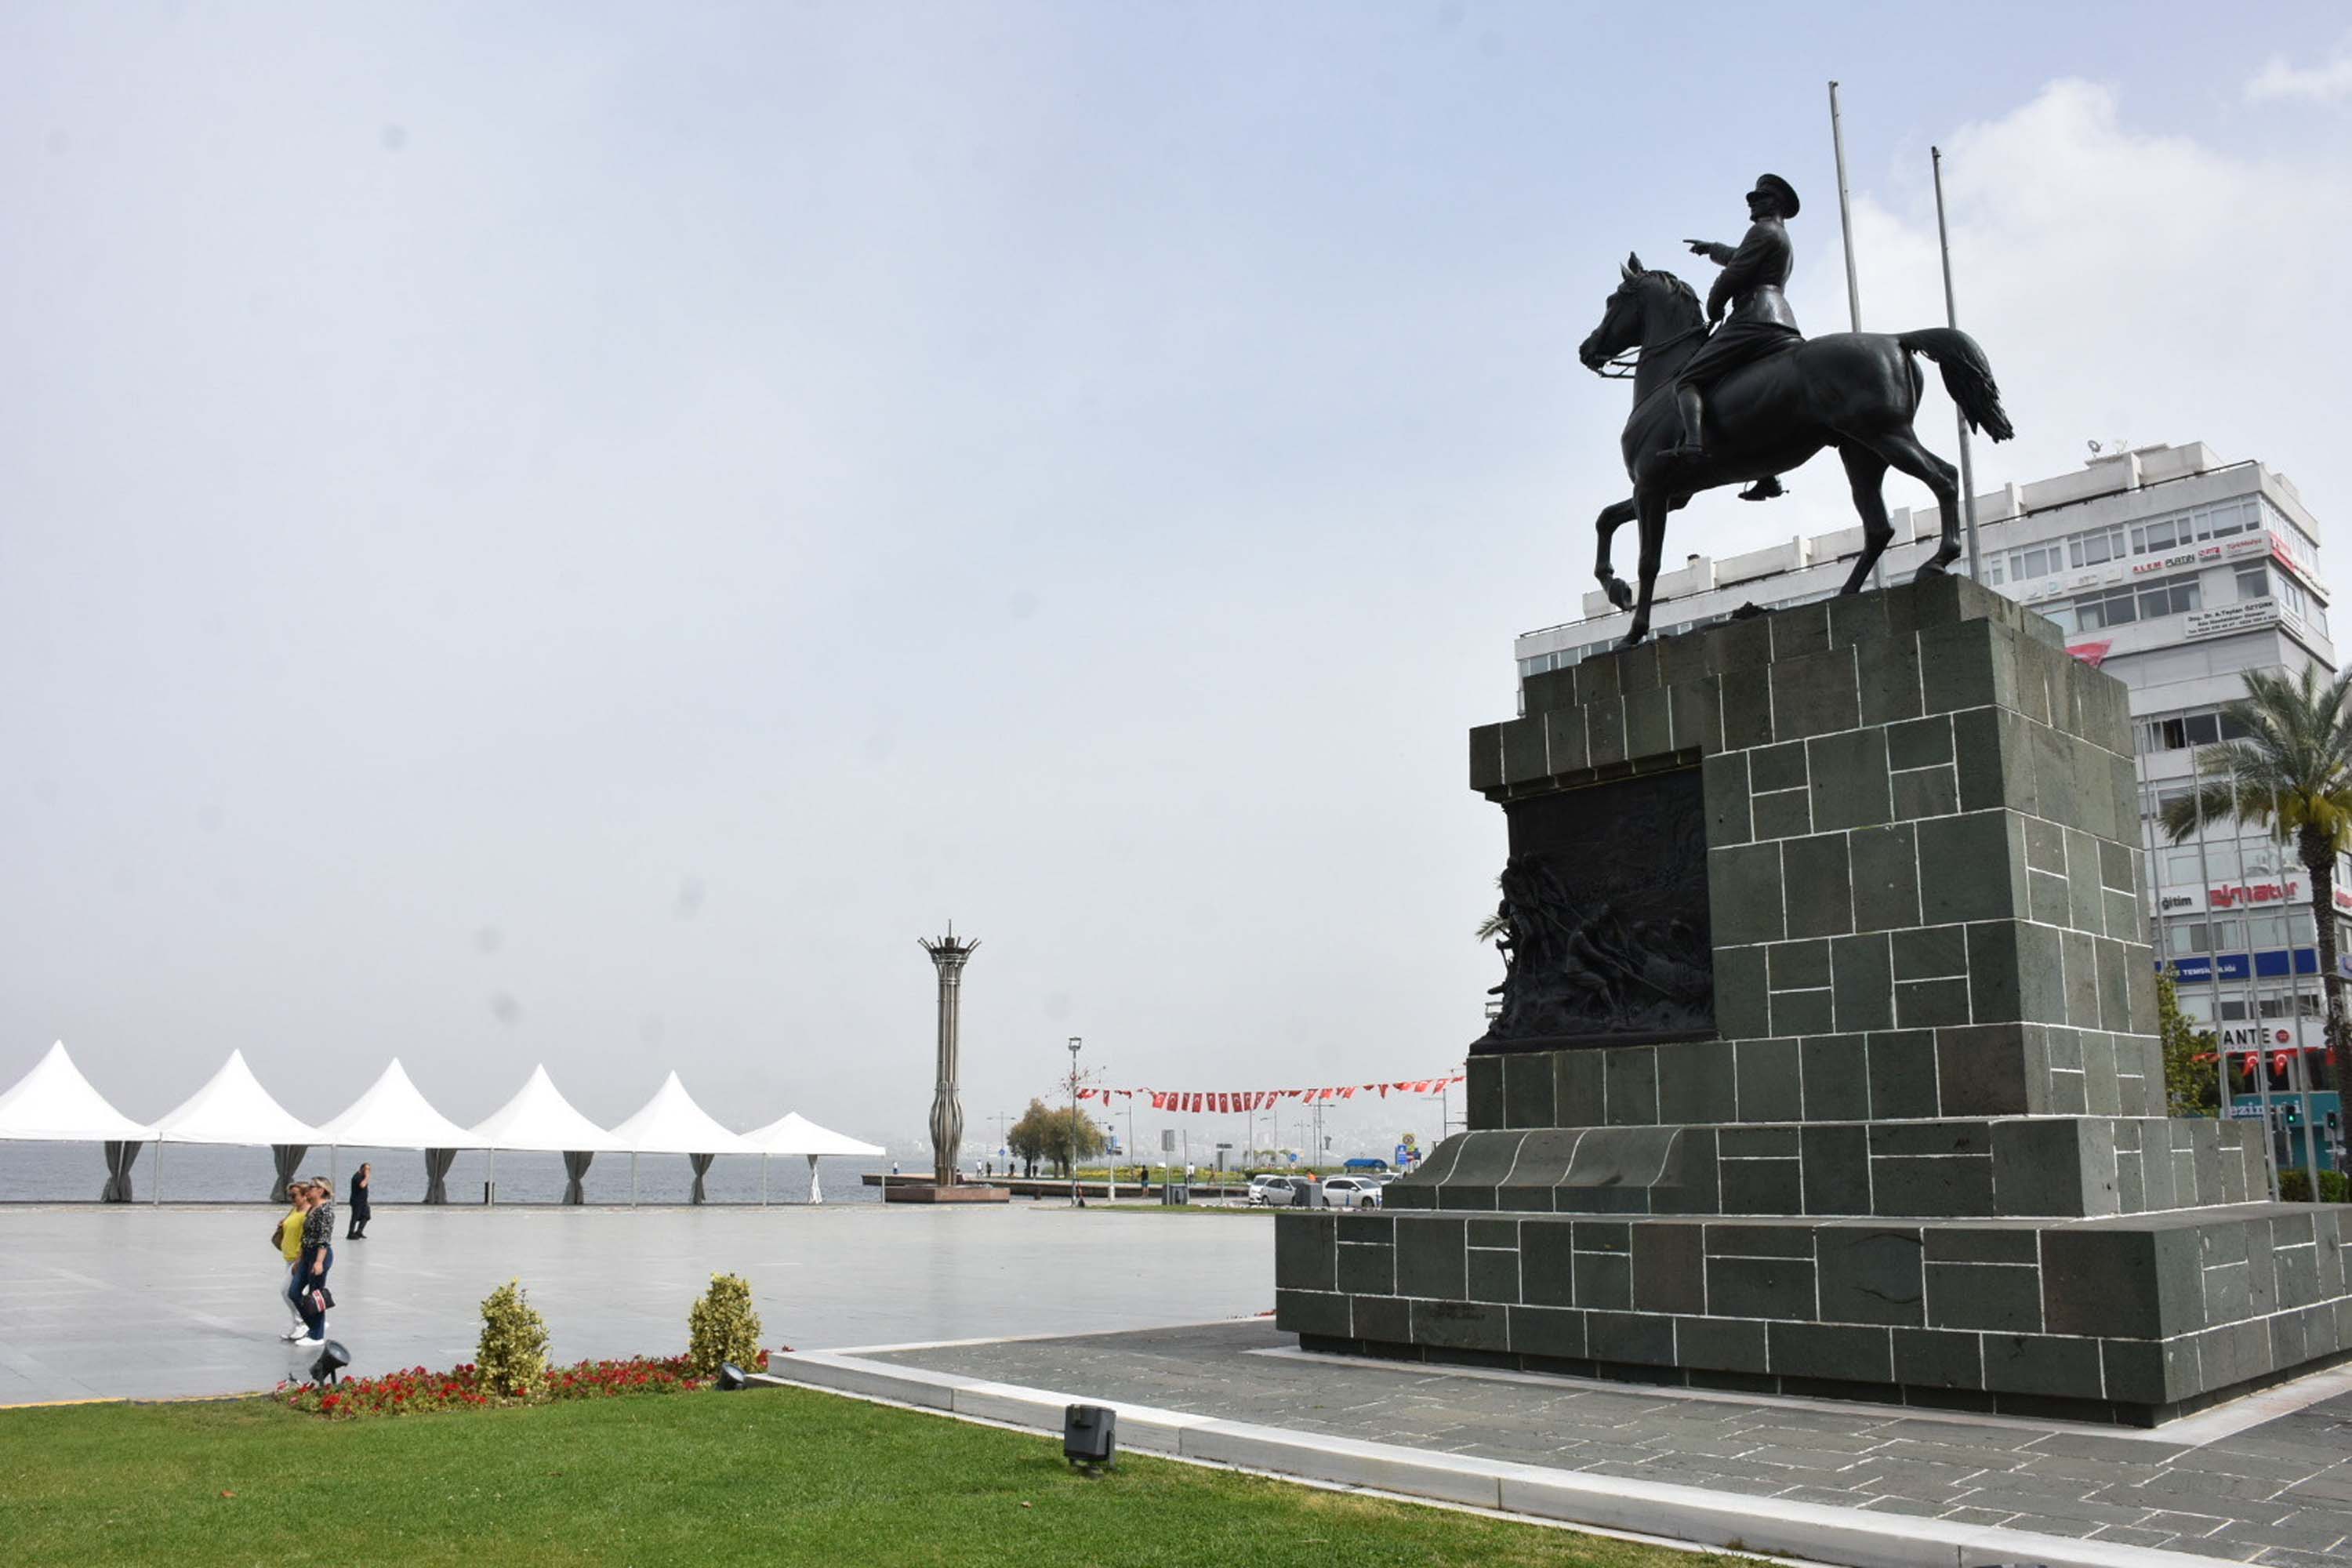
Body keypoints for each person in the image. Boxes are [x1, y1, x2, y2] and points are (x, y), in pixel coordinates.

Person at [1664, 172, 1804, 499]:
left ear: (1775, 204)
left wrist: (1713, 306)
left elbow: (1734, 274)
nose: (1751, 203)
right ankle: (1769, 477)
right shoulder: (1776, 236)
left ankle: (1693, 446)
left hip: (1753, 318)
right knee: (1758, 392)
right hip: (1781, 319)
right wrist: (1712, 248)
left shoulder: (1762, 230)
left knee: (1687, 380)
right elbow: (1739, 257)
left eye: (1759, 198)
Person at [294, 1178, 336, 1346]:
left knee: (316, 1295)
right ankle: (314, 1326)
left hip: (320, 1255)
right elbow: (306, 1236)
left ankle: (317, 1336)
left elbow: (324, 1239)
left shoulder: (326, 1211)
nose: (308, 1190)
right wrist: (299, 1258)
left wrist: (319, 1262)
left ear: (321, 1190)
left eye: (312, 1187)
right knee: (293, 1291)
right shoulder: (313, 1208)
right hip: (307, 1255)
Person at [272, 1181, 308, 1339]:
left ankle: (305, 1323)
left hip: (298, 1259)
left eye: (294, 1195)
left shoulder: (308, 1213)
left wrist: (301, 1259)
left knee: (287, 1291)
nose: (291, 1198)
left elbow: (307, 1238)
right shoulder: (295, 1209)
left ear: (305, 1195)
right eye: (290, 1195)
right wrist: (282, 1225)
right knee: (295, 1293)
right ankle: (298, 1325)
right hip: (288, 1257)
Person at [347, 1163, 372, 1240]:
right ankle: (350, 1233)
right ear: (362, 1169)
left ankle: (359, 1232)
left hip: (364, 1201)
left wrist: (366, 1177)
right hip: (357, 1201)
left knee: (366, 1216)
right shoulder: (357, 1177)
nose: (368, 1171)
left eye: (369, 1169)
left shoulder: (363, 1177)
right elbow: (362, 1185)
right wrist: (367, 1177)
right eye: (367, 1169)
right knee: (355, 1217)